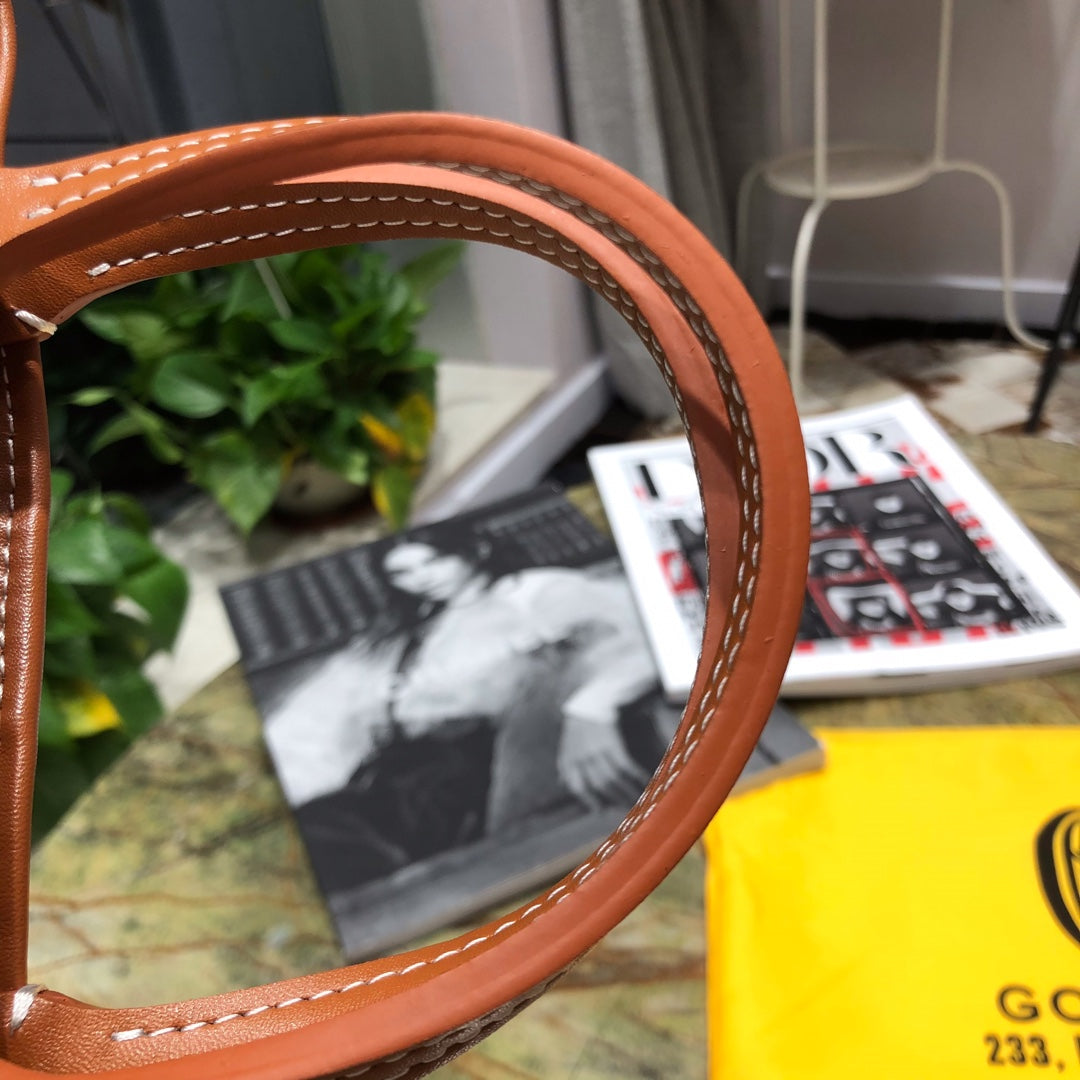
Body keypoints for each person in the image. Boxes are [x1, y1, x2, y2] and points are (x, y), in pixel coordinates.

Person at [264, 538, 664, 890]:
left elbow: (645, 631)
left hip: (475, 765)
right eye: (402, 573)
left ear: (475, 551)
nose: (421, 578)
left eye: (434, 561)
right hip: (396, 770)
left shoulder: (534, 591)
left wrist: (592, 706)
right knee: (315, 831)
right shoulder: (407, 630)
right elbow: (332, 709)